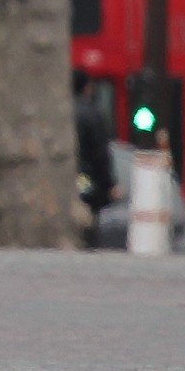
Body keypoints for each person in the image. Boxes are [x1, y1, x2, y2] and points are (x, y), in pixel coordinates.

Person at [73, 69, 119, 248]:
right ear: (86, 87)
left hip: (61, 181)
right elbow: (100, 155)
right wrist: (109, 184)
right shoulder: (92, 114)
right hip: (86, 180)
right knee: (89, 223)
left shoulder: (56, 112)